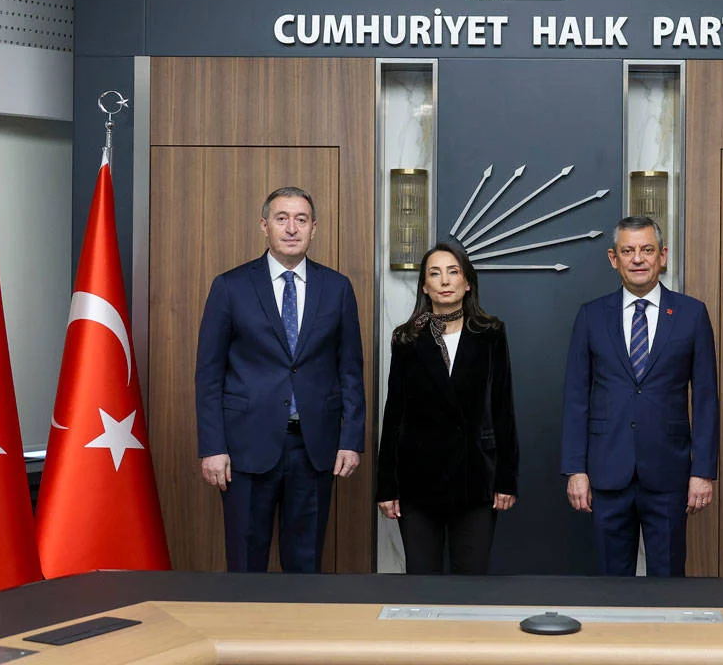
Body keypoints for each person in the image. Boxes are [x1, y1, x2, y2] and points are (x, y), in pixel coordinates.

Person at [195, 186, 366, 573]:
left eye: (301, 220)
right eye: (282, 219)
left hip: (314, 447)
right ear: (264, 226)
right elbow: (208, 375)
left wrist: (351, 440)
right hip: (244, 448)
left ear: (314, 228)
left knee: (305, 564)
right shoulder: (231, 286)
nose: (292, 228)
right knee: (245, 562)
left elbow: (350, 370)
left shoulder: (337, 288)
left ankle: (300, 617)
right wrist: (212, 446)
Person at [560, 215, 719, 576]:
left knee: (668, 582)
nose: (637, 259)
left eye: (647, 250)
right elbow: (575, 398)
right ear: (613, 258)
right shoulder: (591, 316)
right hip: (607, 472)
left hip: (669, 473)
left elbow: (706, 399)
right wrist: (575, 469)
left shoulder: (692, 314)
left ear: (662, 256)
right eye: (628, 251)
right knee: (612, 587)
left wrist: (703, 471)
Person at [376, 242, 519, 575]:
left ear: (467, 282)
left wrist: (506, 479)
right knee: (421, 584)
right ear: (425, 286)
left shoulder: (490, 334)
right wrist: (387, 486)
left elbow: (503, 409)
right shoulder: (407, 339)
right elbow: (394, 414)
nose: (444, 281)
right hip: (417, 482)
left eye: (453, 272)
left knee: (470, 584)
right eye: (435, 274)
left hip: (475, 480)